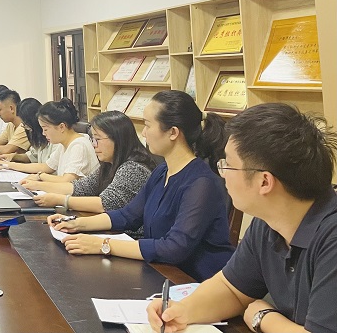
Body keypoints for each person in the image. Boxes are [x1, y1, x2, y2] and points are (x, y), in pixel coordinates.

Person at [147, 103, 337, 333]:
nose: (222, 173)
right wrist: (181, 310)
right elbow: (232, 289)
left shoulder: (331, 237)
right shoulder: (267, 223)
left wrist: (263, 316)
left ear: (264, 182)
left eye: (228, 165)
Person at [48, 90, 234, 282]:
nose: (143, 133)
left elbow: (175, 248)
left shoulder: (201, 183)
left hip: (193, 280)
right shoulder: (162, 172)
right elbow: (128, 215)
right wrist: (75, 224)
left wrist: (103, 244)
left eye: (147, 125)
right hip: (160, 271)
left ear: (173, 132)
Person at [24, 111, 155, 219]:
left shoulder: (134, 168)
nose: (93, 144)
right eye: (93, 139)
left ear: (118, 139)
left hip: (128, 236)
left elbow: (105, 203)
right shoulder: (109, 164)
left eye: (98, 139)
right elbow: (80, 187)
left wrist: (61, 200)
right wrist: (37, 185)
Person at [0, 98, 97, 181]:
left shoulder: (79, 145)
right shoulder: (64, 144)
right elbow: (46, 167)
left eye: (45, 129)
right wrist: (7, 165)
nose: (43, 133)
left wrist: (39, 177)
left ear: (61, 127)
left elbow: (67, 180)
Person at [0, 98, 57, 164]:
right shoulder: (37, 135)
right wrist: (13, 157)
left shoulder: (54, 139)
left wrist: (9, 165)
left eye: (25, 124)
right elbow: (33, 155)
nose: (25, 127)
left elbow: (47, 166)